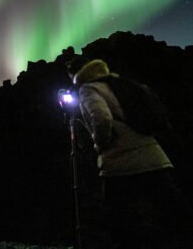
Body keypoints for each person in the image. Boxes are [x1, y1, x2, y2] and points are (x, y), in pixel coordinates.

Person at [68, 56, 193, 248]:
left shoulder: (89, 89)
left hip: (121, 162)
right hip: (153, 155)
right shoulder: (120, 84)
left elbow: (101, 118)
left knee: (118, 217)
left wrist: (100, 144)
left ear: (76, 75)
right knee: (173, 211)